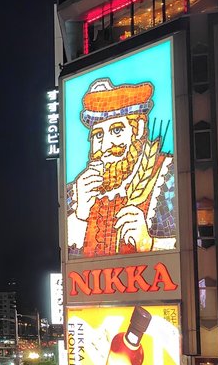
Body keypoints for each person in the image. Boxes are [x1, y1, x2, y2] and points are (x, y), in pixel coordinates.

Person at [66, 76, 176, 257]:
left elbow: (195, 243)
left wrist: (150, 242)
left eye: (116, 131)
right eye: (98, 135)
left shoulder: (168, 174)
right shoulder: (74, 192)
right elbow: (62, 256)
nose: (106, 145)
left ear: (139, 129)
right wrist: (79, 215)